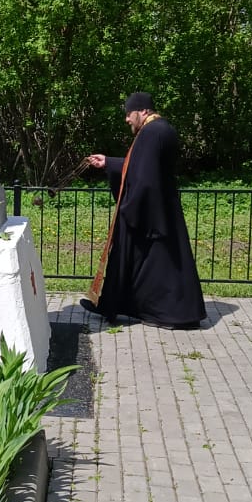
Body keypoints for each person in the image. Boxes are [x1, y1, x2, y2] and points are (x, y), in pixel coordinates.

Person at [81, 92, 206, 329]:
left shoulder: (150, 133)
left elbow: (144, 177)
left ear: (143, 111)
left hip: (148, 209)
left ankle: (162, 314)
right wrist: (108, 162)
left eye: (130, 113)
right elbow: (139, 166)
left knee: (145, 263)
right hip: (161, 207)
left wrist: (130, 209)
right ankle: (165, 312)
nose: (127, 119)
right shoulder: (162, 128)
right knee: (162, 264)